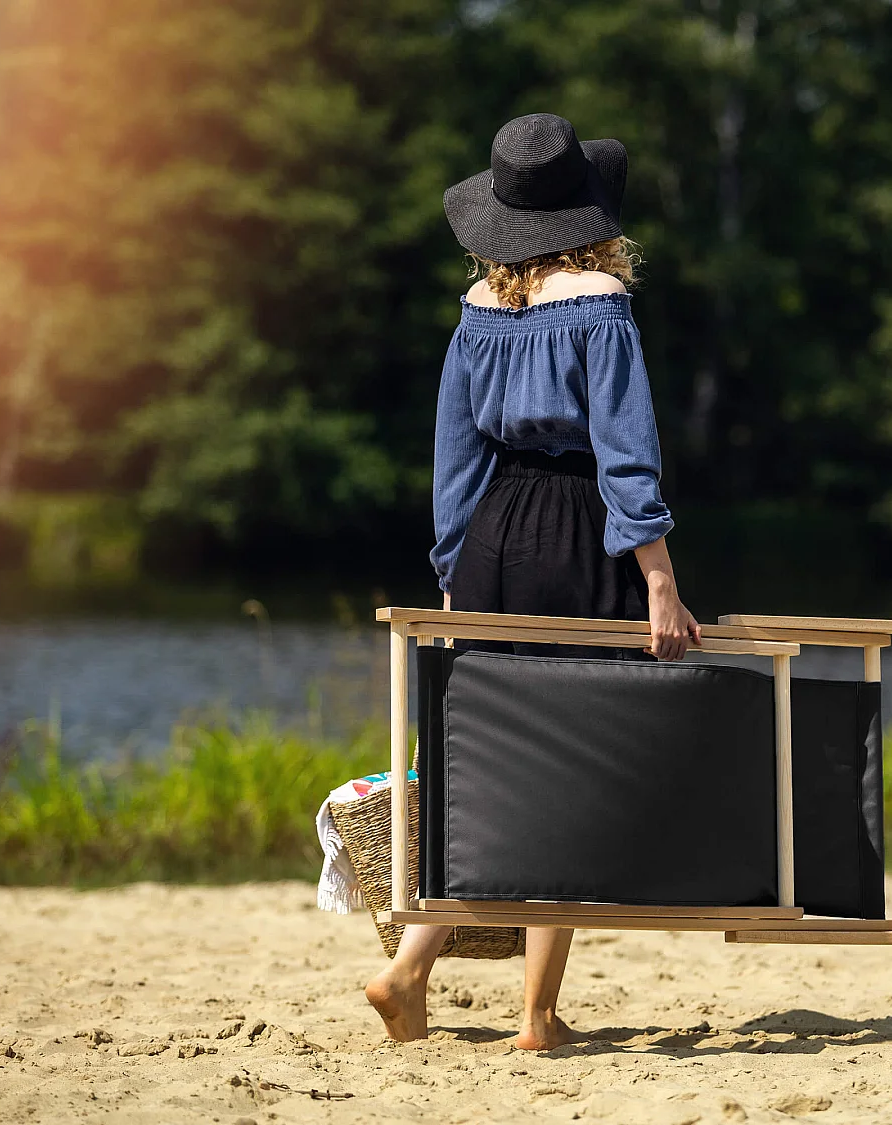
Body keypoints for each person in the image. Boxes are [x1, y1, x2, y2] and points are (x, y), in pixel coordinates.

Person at [364, 112, 703, 1049]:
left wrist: (451, 572)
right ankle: (537, 1016)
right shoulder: (600, 304)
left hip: (488, 537)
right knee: (572, 760)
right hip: (573, 532)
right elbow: (625, 457)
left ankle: (406, 967)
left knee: (488, 764)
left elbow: (455, 456)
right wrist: (661, 581)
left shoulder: (477, 312)